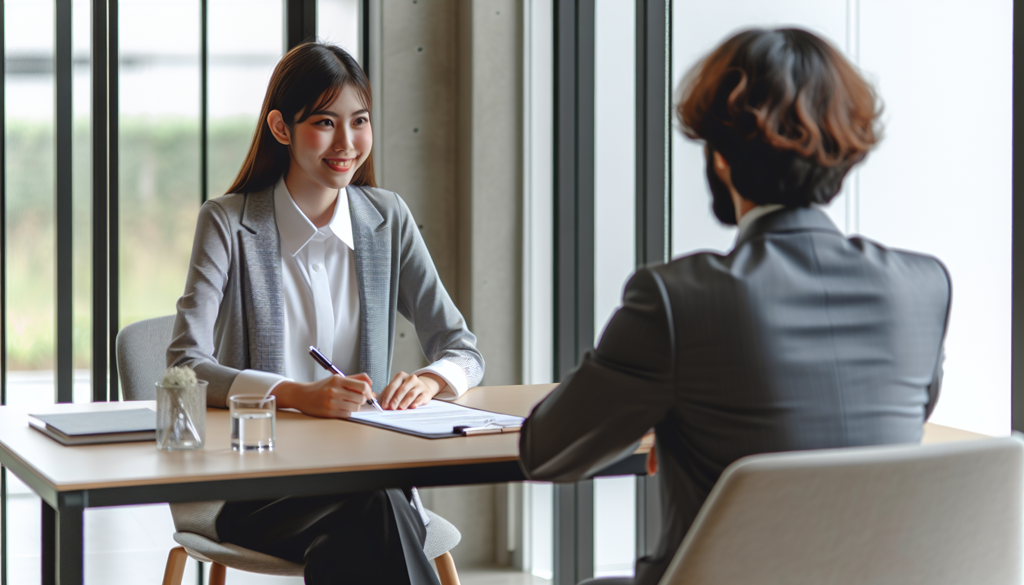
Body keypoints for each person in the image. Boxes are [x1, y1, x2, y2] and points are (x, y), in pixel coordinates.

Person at [519, 27, 951, 585]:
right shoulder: (924, 285)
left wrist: (662, 411)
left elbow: (549, 453)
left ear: (720, 158)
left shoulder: (677, 299)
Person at [168, 42, 484, 584]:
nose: (347, 143)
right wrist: (297, 394)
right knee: (377, 508)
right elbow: (185, 365)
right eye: (324, 122)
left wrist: (431, 381)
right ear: (281, 127)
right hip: (260, 484)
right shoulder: (227, 222)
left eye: (359, 121)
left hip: (366, 475)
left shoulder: (387, 219)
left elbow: (463, 348)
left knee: (365, 515)